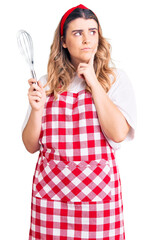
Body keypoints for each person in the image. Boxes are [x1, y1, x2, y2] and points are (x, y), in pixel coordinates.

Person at [22, 4, 137, 240]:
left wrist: (94, 82)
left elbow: (117, 134)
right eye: (78, 33)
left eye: (92, 31)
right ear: (63, 41)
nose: (87, 39)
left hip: (98, 203)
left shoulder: (114, 80)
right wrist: (36, 110)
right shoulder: (46, 83)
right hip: (51, 201)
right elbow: (31, 145)